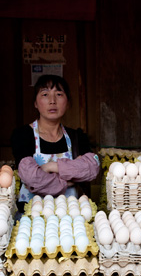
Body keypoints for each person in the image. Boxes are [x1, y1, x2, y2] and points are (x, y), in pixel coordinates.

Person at [11, 75, 100, 207]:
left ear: (68, 102)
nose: (52, 101)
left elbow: (92, 167)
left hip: (71, 216)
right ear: (35, 103)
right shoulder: (22, 135)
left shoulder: (76, 136)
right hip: (30, 220)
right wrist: (69, 179)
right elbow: (31, 177)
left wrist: (51, 167)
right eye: (45, 94)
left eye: (58, 94)